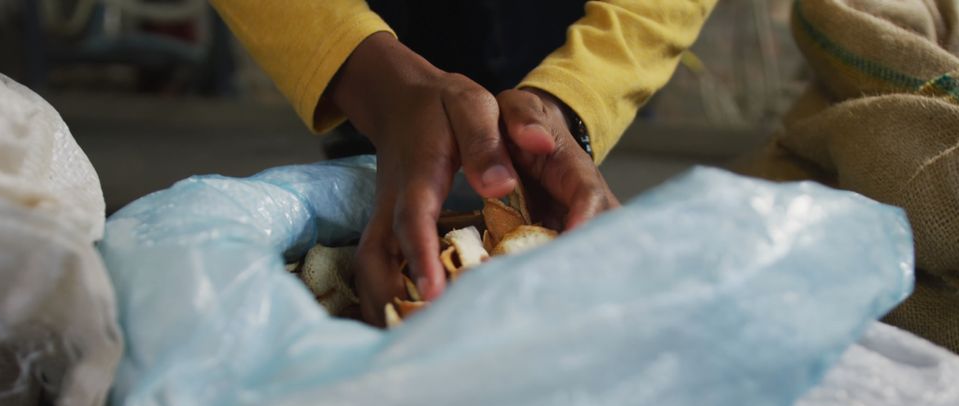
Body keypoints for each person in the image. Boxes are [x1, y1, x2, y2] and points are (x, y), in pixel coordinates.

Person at [210, 0, 718, 325]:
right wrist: (369, 79)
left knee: (555, 205)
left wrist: (574, 99)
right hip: (387, 27)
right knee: (390, 217)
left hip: (568, 25)